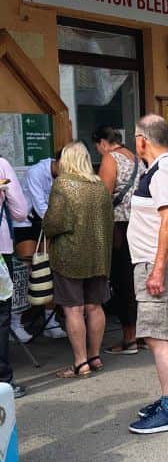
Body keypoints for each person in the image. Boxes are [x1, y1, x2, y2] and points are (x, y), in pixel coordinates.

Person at [127, 114, 168, 434]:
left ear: (142, 140)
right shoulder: (162, 168)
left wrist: (158, 270)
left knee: (156, 335)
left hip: (158, 265)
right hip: (158, 262)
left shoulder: (163, 171)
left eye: (135, 138)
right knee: (165, 332)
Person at [42, 141, 113, 379]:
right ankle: (95, 356)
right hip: (99, 256)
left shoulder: (63, 184)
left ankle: (81, 362)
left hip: (70, 256)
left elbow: (55, 223)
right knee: (95, 306)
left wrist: (44, 222)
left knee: (73, 309)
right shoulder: (99, 186)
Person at [93, 126, 143, 356]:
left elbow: (103, 197)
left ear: (103, 142)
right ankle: (141, 334)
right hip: (140, 225)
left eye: (97, 146)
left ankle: (129, 338)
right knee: (136, 280)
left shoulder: (110, 159)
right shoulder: (136, 159)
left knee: (123, 282)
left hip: (119, 228)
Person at [11, 152, 68, 340]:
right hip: (26, 223)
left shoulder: (63, 176)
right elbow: (40, 206)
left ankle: (49, 323)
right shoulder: (37, 172)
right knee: (26, 271)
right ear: (57, 161)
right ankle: (15, 322)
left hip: (46, 224)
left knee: (47, 270)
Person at [0, 153, 29, 397]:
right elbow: (20, 211)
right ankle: (3, 382)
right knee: (0, 316)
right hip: (0, 252)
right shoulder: (1, 165)